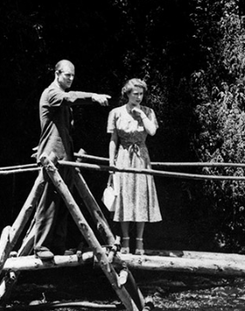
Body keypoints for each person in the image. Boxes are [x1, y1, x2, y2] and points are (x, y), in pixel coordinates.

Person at [34, 59, 111, 260]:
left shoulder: (61, 97)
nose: (70, 79)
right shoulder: (52, 93)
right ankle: (41, 245)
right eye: (67, 75)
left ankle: (57, 244)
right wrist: (93, 97)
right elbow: (71, 99)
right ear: (57, 74)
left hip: (65, 155)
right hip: (52, 156)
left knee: (64, 201)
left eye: (73, 76)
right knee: (50, 199)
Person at [107, 78, 162, 255]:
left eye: (141, 94)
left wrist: (142, 115)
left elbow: (152, 132)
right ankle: (124, 240)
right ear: (127, 94)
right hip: (123, 157)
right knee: (124, 197)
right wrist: (111, 163)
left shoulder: (148, 111)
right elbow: (113, 140)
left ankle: (139, 242)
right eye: (135, 94)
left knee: (141, 197)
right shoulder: (116, 112)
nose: (139, 97)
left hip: (141, 158)